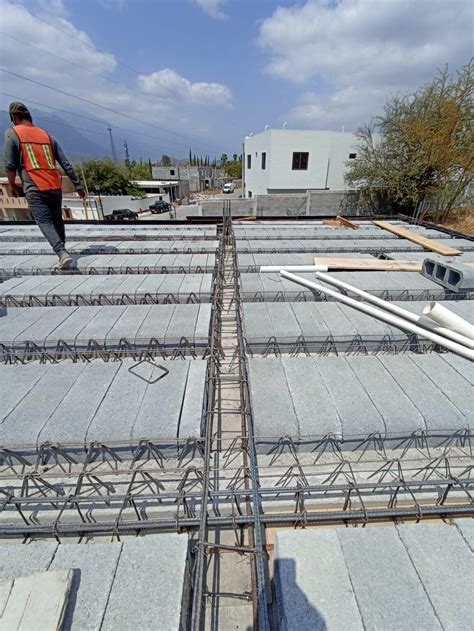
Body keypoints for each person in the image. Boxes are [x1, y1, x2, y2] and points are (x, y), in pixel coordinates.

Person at [3, 101, 86, 269]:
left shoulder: (13, 134)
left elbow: (10, 165)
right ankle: (63, 251)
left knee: (44, 221)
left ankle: (61, 253)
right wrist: (78, 185)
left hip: (34, 185)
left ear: (13, 117)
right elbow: (65, 163)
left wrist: (12, 185)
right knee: (57, 219)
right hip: (54, 185)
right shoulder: (46, 135)